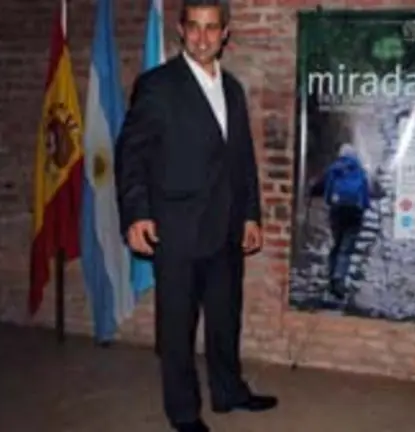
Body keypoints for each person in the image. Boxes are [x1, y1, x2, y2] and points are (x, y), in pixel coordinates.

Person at [114, 1, 277, 431]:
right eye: (194, 28)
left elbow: (242, 161)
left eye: (212, 28)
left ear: (226, 33)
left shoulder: (234, 90)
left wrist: (250, 216)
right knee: (177, 330)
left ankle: (229, 391)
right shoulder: (157, 85)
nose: (203, 37)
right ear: (181, 31)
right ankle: (183, 413)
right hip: (176, 230)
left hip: (225, 230)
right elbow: (131, 153)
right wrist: (136, 214)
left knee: (226, 319)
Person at [308, 144, 382, 300]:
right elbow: (373, 191)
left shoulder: (334, 169)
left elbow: (318, 186)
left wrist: (311, 190)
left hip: (336, 211)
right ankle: (339, 279)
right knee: (347, 248)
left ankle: (331, 276)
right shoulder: (361, 171)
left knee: (336, 243)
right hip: (355, 213)